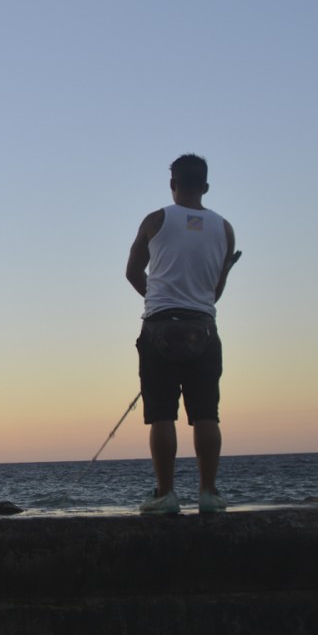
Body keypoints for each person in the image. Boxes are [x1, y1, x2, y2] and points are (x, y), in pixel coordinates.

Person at [126, 155, 239, 515]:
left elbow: (131, 272)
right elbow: (214, 293)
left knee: (162, 415)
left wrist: (160, 298)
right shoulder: (224, 229)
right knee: (206, 413)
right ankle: (208, 492)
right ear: (205, 187)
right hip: (203, 327)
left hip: (159, 326)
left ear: (172, 185)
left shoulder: (155, 220)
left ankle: (165, 494)